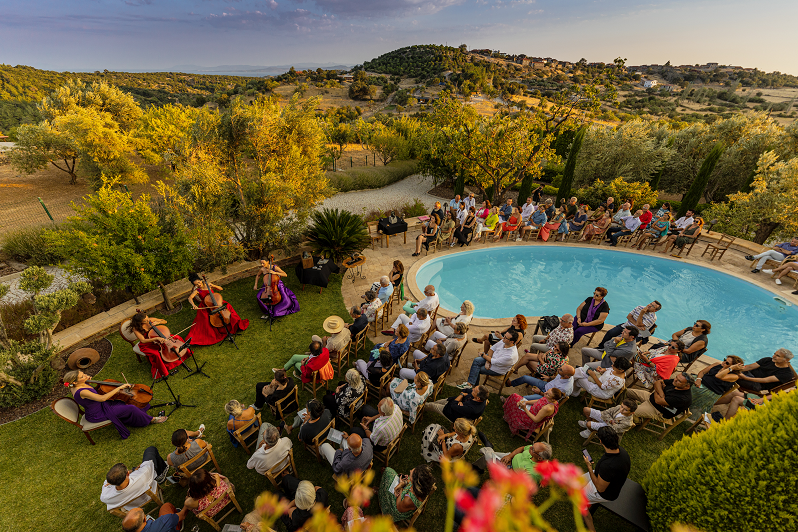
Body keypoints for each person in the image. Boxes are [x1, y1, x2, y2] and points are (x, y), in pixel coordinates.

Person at [63, 370, 166, 440]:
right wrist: (119, 388)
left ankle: (138, 415)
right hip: (99, 413)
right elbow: (102, 398)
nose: (86, 376)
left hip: (99, 406)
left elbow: (90, 394)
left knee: (123, 402)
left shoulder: (74, 385)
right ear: (75, 382)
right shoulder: (81, 391)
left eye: (84, 374)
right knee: (130, 408)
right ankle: (151, 419)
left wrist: (87, 382)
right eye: (82, 376)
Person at [713, 349, 794, 420]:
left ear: (786, 360)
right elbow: (750, 366)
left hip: (758, 385)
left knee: (733, 377)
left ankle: (713, 388)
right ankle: (711, 402)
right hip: (749, 375)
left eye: (778, 356)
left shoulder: (787, 373)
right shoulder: (768, 360)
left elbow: (765, 380)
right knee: (731, 370)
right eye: (774, 354)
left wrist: (744, 377)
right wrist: (738, 369)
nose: (774, 356)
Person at [581, 427, 631, 532]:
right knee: (579, 480)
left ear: (600, 441)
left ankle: (591, 529)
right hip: (607, 478)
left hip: (604, 493)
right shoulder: (622, 452)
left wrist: (589, 468)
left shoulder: (608, 466)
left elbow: (600, 488)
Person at [186, 273, 249, 345]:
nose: (199, 285)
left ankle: (234, 325)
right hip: (207, 305)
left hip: (216, 302)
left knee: (228, 307)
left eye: (199, 282)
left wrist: (213, 285)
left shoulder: (208, 285)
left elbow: (220, 288)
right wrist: (193, 305)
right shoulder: (199, 290)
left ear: (201, 280)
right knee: (205, 319)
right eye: (196, 284)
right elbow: (190, 298)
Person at [101, 449, 170, 512]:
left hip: (130, 506)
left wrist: (134, 471)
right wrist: (135, 470)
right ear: (128, 473)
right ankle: (162, 473)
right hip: (148, 496)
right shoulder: (142, 475)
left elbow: (105, 484)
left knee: (136, 469)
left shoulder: (105, 497)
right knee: (151, 449)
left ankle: (134, 469)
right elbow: (149, 464)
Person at [626, 372, 694, 423]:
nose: (675, 380)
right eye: (676, 377)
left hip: (658, 410)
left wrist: (657, 390)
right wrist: (661, 393)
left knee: (629, 412)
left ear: (687, 386)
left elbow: (658, 401)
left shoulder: (683, 398)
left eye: (679, 381)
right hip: (650, 397)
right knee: (626, 391)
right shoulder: (675, 382)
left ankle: (638, 421)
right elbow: (657, 382)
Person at [126, 312, 190, 365]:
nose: (148, 321)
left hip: (159, 336)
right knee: (156, 353)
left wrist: (158, 322)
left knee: (177, 338)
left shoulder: (151, 319)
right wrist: (156, 338)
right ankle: (166, 364)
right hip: (149, 342)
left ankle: (183, 354)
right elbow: (143, 340)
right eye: (146, 321)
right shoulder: (136, 328)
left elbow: (165, 321)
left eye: (147, 318)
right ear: (140, 322)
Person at [472, 441, 553, 478]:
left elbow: (520, 483)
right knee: (490, 456)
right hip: (510, 458)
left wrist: (509, 468)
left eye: (533, 449)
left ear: (539, 458)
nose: (530, 447)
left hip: (509, 474)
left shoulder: (534, 472)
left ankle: (488, 448)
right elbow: (522, 448)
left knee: (488, 456)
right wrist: (510, 456)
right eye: (532, 445)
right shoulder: (533, 449)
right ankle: (477, 467)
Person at [509, 364, 575, 401]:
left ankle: (509, 401)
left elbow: (552, 399)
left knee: (524, 399)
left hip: (547, 397)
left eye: (560, 369)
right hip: (546, 385)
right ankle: (510, 383)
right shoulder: (564, 374)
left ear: (566, 376)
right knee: (525, 378)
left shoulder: (564, 388)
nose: (558, 369)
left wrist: (539, 392)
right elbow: (557, 377)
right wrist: (549, 378)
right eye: (561, 367)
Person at [424, 385, 489, 422]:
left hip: (451, 413)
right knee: (437, 402)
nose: (473, 389)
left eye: (474, 390)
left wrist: (461, 395)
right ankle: (423, 408)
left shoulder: (473, 409)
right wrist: (460, 400)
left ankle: (418, 407)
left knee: (431, 405)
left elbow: (453, 406)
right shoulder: (479, 397)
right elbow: (465, 389)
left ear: (478, 398)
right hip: (453, 402)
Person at [121, 505, 188, 532]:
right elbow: (182, 515)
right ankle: (178, 523)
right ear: (145, 519)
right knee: (166, 506)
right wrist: (187, 503)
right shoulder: (164, 521)